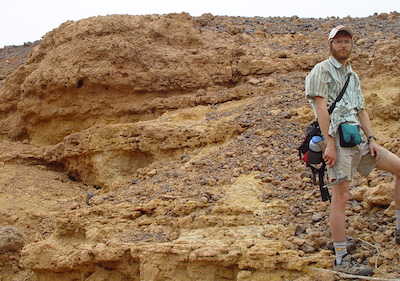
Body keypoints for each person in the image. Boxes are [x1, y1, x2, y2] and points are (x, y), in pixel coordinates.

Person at [305, 25, 400, 276]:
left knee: (399, 168)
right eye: (339, 42)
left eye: (347, 41)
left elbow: (361, 110)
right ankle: (341, 258)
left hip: (358, 138)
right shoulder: (321, 71)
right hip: (336, 137)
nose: (343, 45)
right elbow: (322, 109)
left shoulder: (353, 76)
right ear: (330, 45)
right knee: (342, 195)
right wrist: (330, 144)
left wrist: (372, 138)